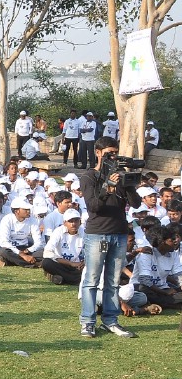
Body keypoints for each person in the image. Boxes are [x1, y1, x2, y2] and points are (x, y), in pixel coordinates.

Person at [78, 136, 142, 338]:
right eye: (109, 154)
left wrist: (128, 181)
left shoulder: (119, 174)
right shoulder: (89, 177)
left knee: (113, 281)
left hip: (119, 233)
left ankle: (110, 321)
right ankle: (88, 322)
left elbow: (137, 203)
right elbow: (93, 207)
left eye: (115, 153)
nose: (113, 157)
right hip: (98, 233)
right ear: (98, 153)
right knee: (92, 280)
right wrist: (107, 185)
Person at [0, 197, 44, 267]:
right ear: (17, 211)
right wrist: (20, 254)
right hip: (10, 248)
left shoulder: (32, 220)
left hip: (25, 248)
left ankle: (15, 261)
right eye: (25, 209)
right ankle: (33, 264)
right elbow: (3, 241)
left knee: (44, 253)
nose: (28, 211)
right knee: (2, 252)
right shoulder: (7, 219)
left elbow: (38, 242)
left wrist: (28, 250)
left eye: (28, 209)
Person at [41, 209, 85, 285]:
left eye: (76, 221)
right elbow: (47, 252)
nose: (73, 224)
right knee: (46, 262)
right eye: (70, 221)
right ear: (64, 223)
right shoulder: (58, 231)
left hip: (79, 266)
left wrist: (84, 262)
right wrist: (70, 263)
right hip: (62, 264)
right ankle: (76, 280)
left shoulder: (84, 232)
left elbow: (90, 251)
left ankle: (62, 279)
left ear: (80, 222)